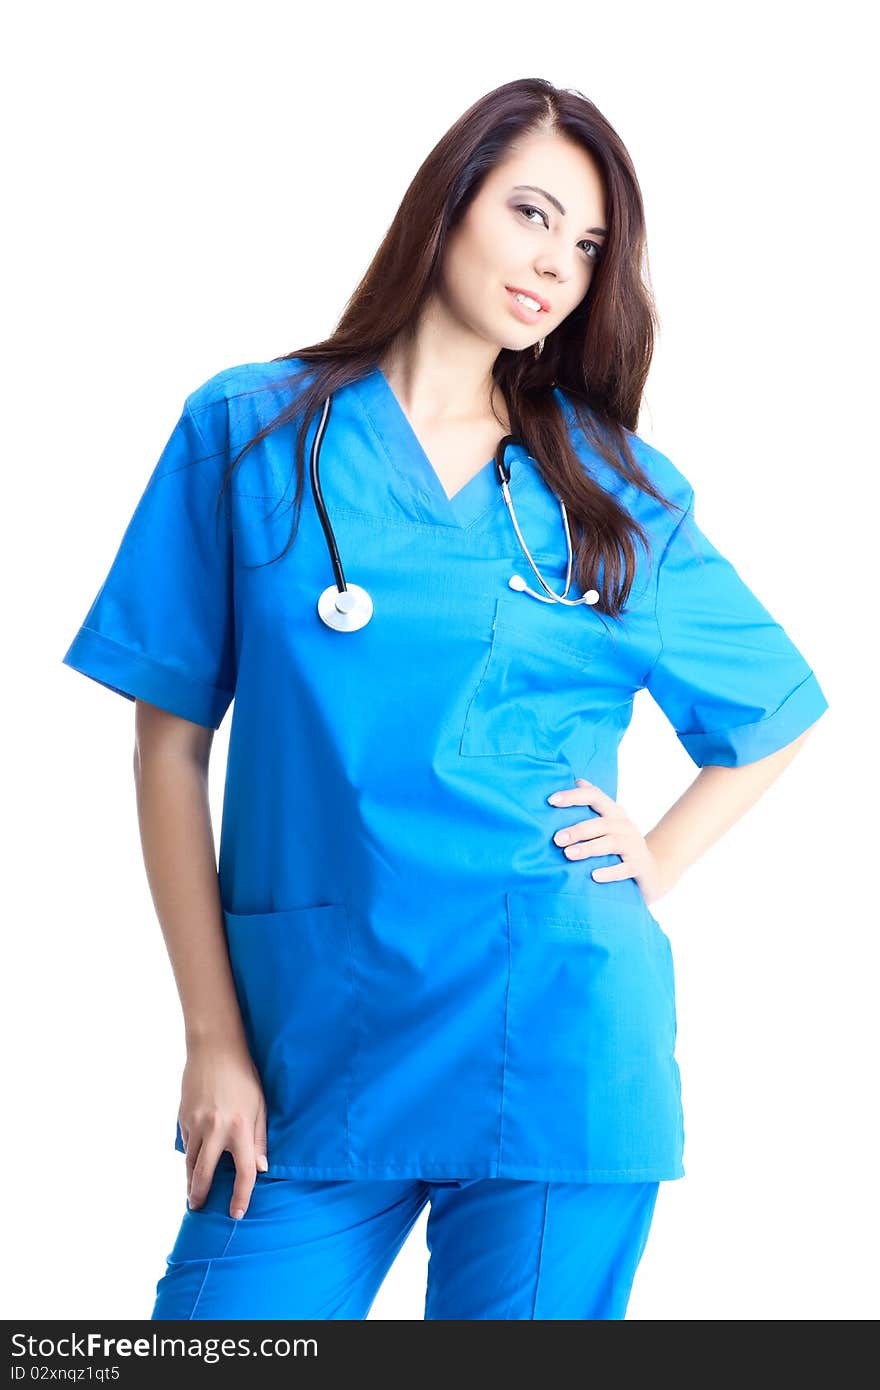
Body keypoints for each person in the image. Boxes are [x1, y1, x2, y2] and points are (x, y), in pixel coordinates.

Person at [61, 77, 829, 1321]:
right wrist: (211, 1034)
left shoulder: (606, 482)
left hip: (556, 1039)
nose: (555, 267)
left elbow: (775, 711)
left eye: (587, 250)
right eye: (531, 214)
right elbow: (167, 747)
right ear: (450, 199)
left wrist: (654, 860)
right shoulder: (250, 433)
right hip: (313, 1041)